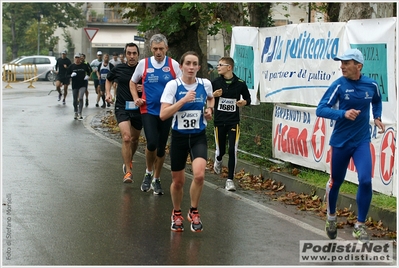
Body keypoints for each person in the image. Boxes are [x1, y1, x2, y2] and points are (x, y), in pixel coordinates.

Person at [316, 48, 385, 244]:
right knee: (335, 182)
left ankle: (360, 226)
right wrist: (342, 114)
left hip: (362, 141)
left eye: (346, 63)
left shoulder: (371, 84)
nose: (342, 66)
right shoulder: (338, 85)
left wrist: (377, 116)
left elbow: (377, 101)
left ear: (359, 66)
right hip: (340, 142)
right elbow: (321, 109)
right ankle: (331, 217)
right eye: (341, 63)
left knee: (365, 181)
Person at [160, 51, 214, 232]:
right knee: (178, 182)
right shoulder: (173, 86)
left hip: (198, 136)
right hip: (179, 137)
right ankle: (176, 212)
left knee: (199, 175)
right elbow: (163, 114)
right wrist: (182, 100)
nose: (191, 67)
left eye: (195, 64)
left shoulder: (205, 84)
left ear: (199, 67)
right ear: (181, 66)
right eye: (188, 64)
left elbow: (211, 98)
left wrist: (210, 111)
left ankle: (193, 210)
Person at [130, 33, 182, 195]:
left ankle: (157, 179)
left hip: (167, 111)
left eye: (161, 49)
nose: (158, 52)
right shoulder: (143, 64)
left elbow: (181, 85)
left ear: (166, 48)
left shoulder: (173, 65)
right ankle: (148, 172)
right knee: (151, 143)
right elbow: (132, 82)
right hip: (148, 110)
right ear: (150, 49)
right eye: (155, 49)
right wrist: (136, 98)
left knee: (160, 148)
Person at [212, 56, 251, 191]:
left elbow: (248, 98)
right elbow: (207, 98)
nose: (218, 67)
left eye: (220, 65)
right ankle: (218, 159)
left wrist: (244, 102)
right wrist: (213, 95)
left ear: (229, 67)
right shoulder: (216, 82)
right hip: (219, 121)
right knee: (221, 150)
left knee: (232, 149)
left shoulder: (240, 83)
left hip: (233, 122)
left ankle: (229, 180)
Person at [105, 43, 142, 183]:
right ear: (125, 55)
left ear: (138, 54)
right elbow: (108, 79)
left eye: (134, 53)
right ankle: (128, 171)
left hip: (139, 108)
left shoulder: (143, 69)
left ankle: (129, 160)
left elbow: (153, 86)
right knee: (126, 137)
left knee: (135, 139)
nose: (131, 56)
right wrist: (108, 93)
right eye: (129, 53)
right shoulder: (119, 68)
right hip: (122, 107)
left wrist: (143, 87)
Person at [66, 53, 91, 120]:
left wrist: (88, 76)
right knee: (75, 99)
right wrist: (71, 75)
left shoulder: (84, 65)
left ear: (80, 59)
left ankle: (80, 112)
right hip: (75, 85)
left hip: (83, 84)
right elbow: (67, 74)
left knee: (80, 98)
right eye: (76, 58)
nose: (77, 59)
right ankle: (75, 112)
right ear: (74, 59)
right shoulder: (71, 66)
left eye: (78, 58)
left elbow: (89, 71)